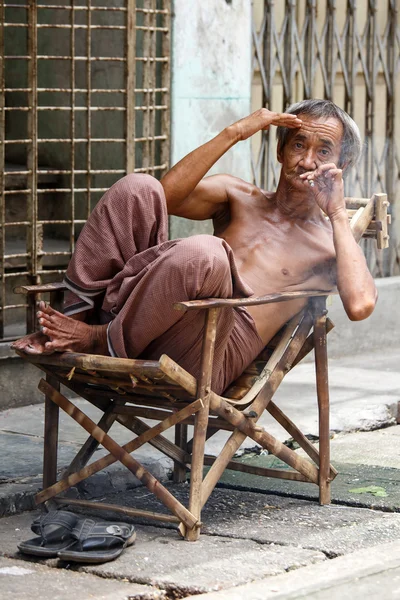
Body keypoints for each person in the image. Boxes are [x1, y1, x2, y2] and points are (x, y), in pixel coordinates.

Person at [12, 99, 377, 394]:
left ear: (341, 164)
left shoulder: (329, 241)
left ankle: (98, 338)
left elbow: (360, 306)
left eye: (323, 151)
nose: (307, 161)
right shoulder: (239, 196)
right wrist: (234, 132)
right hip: (156, 317)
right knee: (137, 187)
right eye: (298, 144)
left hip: (207, 355)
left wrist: (338, 212)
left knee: (208, 251)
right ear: (281, 151)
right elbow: (163, 195)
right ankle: (76, 319)